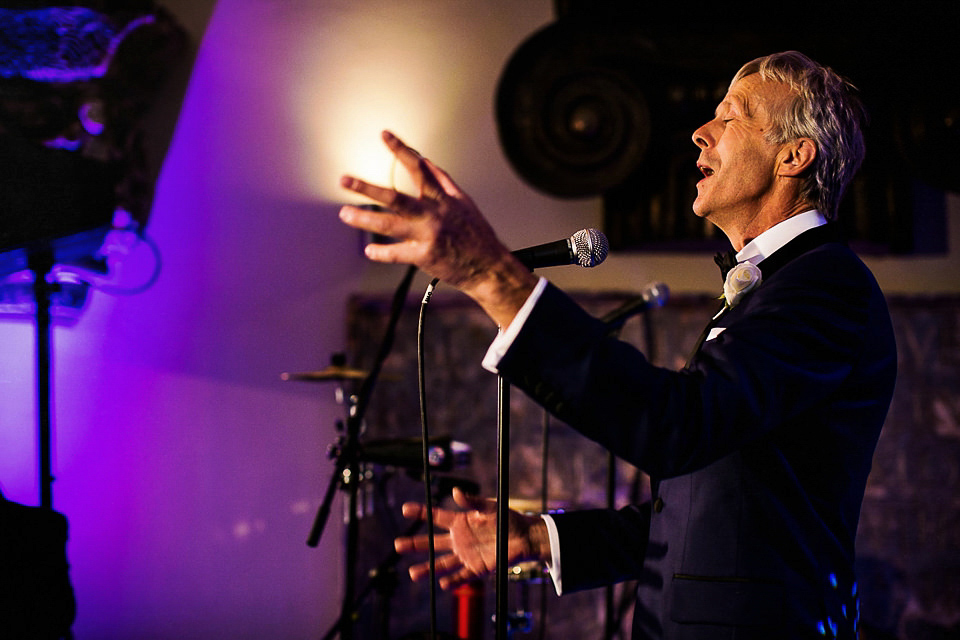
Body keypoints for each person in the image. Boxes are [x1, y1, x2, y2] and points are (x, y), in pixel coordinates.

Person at [338, 51, 897, 639]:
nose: (700, 133)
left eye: (731, 118)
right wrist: (540, 538)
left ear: (793, 154)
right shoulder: (786, 283)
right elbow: (706, 504)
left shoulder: (826, 286)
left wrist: (491, 275)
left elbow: (677, 425)